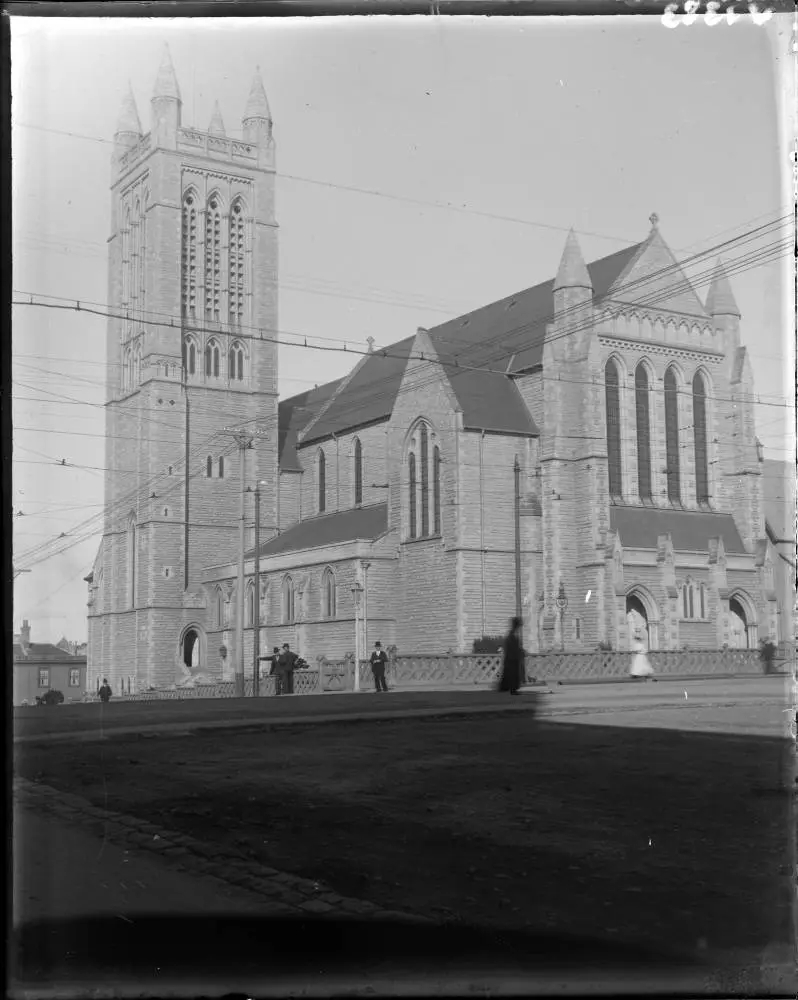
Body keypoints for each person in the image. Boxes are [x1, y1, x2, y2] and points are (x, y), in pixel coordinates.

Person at [498, 617, 524, 695]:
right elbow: (512, 647)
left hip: (511, 658)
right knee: (512, 674)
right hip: (512, 658)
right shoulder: (512, 635)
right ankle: (511, 689)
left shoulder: (511, 635)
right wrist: (519, 652)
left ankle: (505, 688)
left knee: (509, 674)